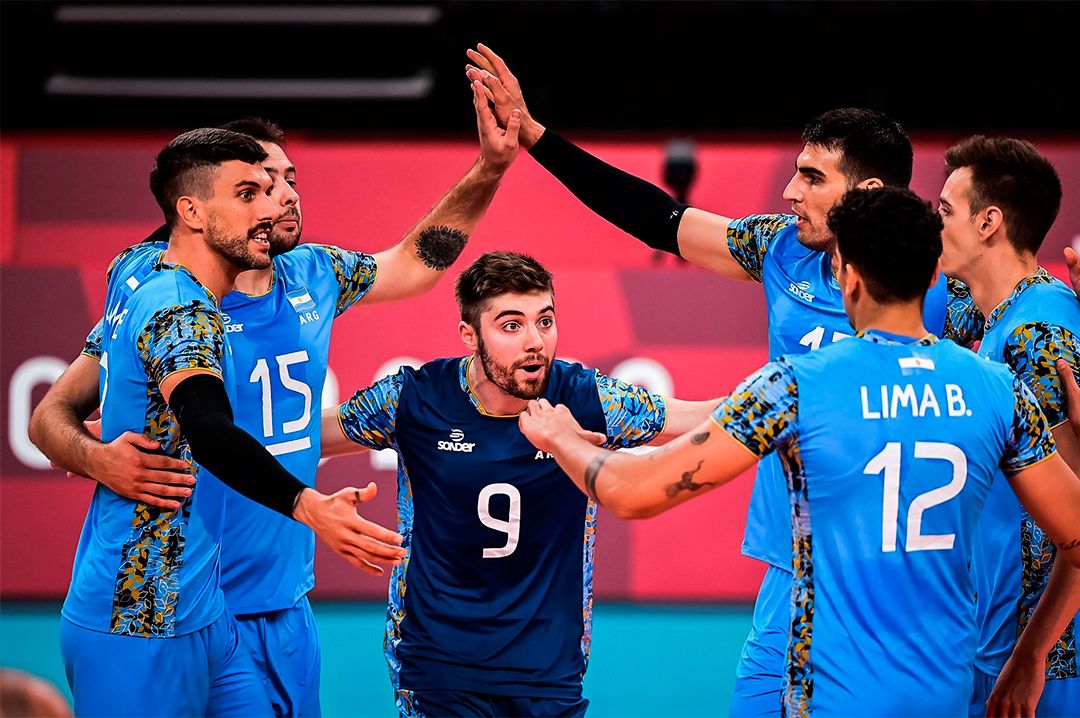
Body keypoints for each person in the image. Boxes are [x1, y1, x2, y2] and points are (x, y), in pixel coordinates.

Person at [463, 42, 1080, 717]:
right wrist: (537, 138)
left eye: (812, 177)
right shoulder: (782, 248)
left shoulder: (929, 288)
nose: (791, 193)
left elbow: (1025, 325)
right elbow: (657, 220)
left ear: (865, 205)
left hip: (897, 577)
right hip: (799, 566)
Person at [29, 85, 523, 716]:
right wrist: (97, 458)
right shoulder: (157, 287)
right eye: (256, 187)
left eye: (287, 180)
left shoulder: (314, 274)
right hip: (168, 599)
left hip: (269, 602)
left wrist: (489, 169)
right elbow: (52, 416)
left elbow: (416, 263)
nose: (282, 196)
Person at [44, 127, 406, 717]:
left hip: (204, 605)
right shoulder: (180, 310)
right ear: (191, 212)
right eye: (248, 194)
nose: (272, 208)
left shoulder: (138, 275)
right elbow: (209, 428)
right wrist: (307, 505)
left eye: (273, 189)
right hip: (137, 613)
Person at [320, 250, 720, 717]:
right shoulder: (414, 397)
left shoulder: (583, 399)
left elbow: (700, 418)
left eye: (544, 321)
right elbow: (299, 439)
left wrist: (786, 391)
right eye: (511, 325)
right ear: (469, 335)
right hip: (438, 665)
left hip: (548, 667)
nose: (535, 342)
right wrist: (307, 504)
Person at [938, 136, 1080, 717]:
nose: (934, 225)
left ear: (988, 222)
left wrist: (1032, 655)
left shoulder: (1036, 337)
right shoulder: (1015, 311)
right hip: (1002, 634)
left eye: (945, 210)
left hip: (1047, 662)